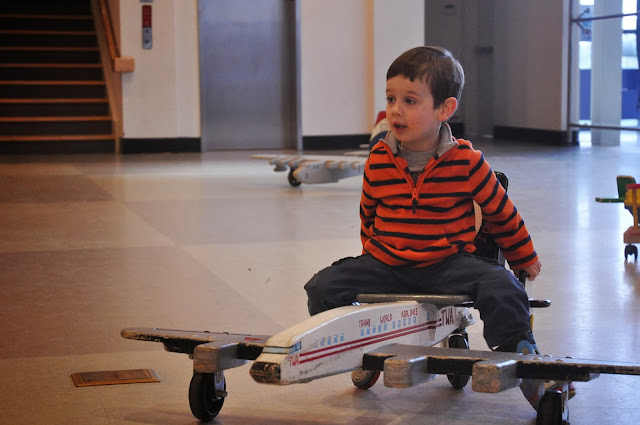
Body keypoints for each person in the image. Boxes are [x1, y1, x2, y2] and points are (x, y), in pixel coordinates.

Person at [304, 46, 549, 410]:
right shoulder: (379, 159)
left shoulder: (466, 161)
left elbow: (501, 213)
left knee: (504, 288)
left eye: (410, 100)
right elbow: (368, 215)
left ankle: (523, 357)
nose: (395, 110)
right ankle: (363, 349)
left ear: (444, 109)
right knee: (322, 287)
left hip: (448, 264)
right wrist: (373, 256)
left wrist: (523, 257)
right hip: (387, 264)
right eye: (390, 99)